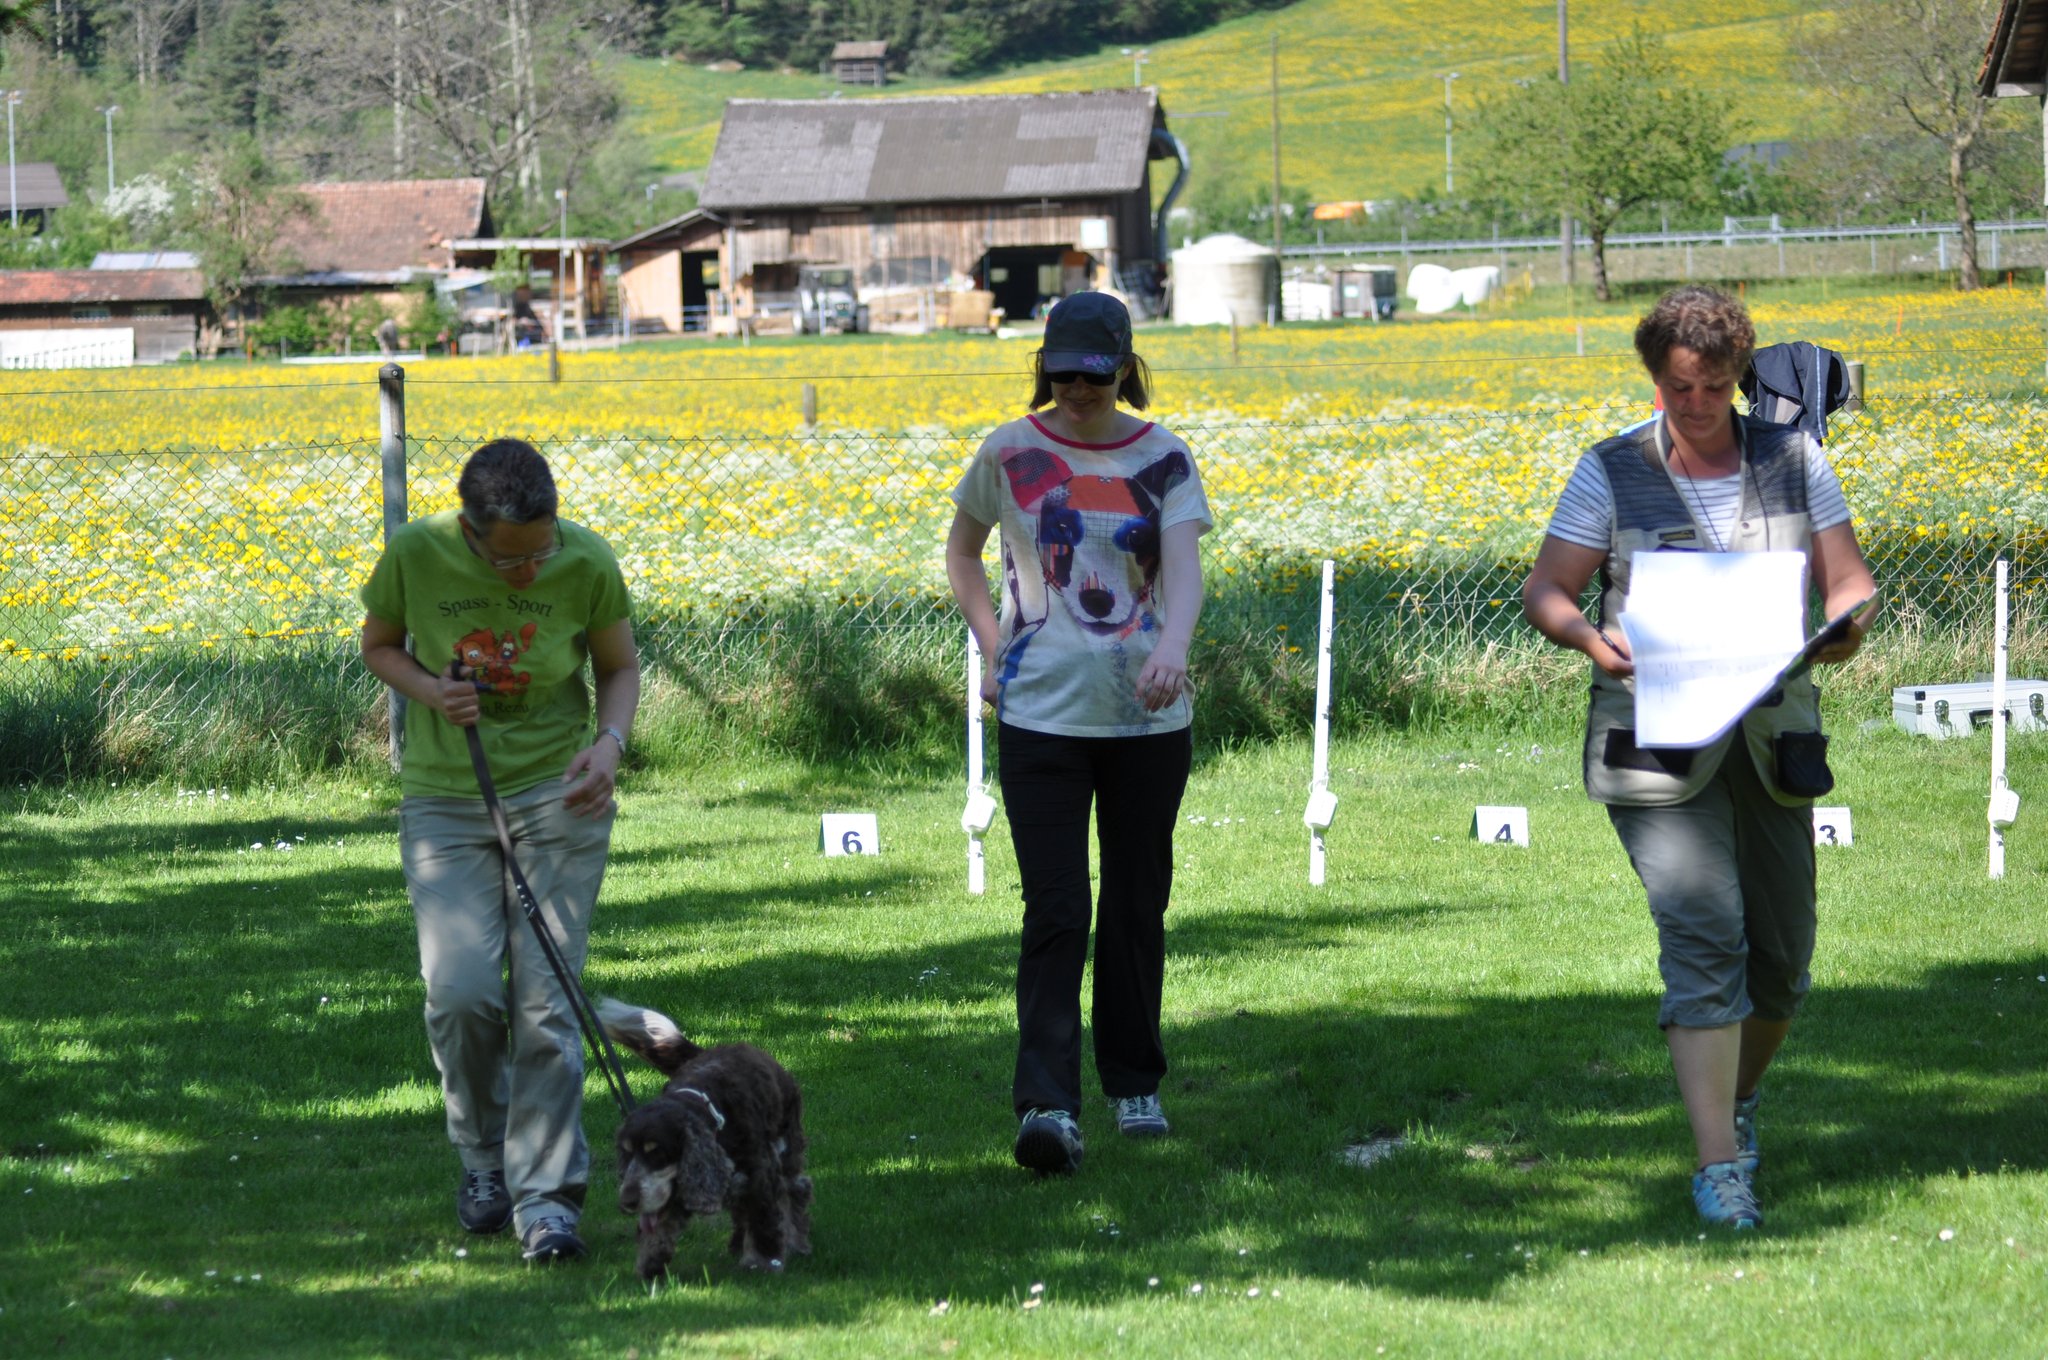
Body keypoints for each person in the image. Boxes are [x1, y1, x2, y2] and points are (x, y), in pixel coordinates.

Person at [1522, 285, 1877, 1229]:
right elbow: (1547, 589)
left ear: (1739, 378)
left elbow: (1851, 583)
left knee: (1783, 962)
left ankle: (1738, 1097)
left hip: (1773, 739)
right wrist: (1592, 641)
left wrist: (1846, 626)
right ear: (1656, 378)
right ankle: (1720, 1165)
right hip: (1654, 742)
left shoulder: (1795, 459)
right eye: (1679, 388)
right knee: (1705, 936)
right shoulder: (1608, 469)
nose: (1697, 405)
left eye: (1715, 388)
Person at [944, 291, 1212, 1175]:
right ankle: (1048, 1108)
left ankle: (1135, 1084)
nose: (1077, 391)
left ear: (1124, 368)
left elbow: (1184, 568)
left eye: (1094, 376)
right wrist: (993, 646)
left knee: (1136, 904)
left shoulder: (1164, 457)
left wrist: (1172, 647)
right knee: (1057, 909)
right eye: (1062, 375)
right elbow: (962, 551)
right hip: (1040, 718)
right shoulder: (1009, 452)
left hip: (1147, 720)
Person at [360, 438, 640, 1261]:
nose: (528, 573)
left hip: (560, 795)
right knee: (462, 994)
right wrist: (429, 690)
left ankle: (547, 1201)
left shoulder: (587, 561)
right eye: (509, 561)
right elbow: (378, 644)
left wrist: (610, 745)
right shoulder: (416, 554)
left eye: (539, 554)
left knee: (547, 1004)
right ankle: (483, 1159)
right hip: (446, 802)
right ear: (470, 531)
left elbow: (619, 668)